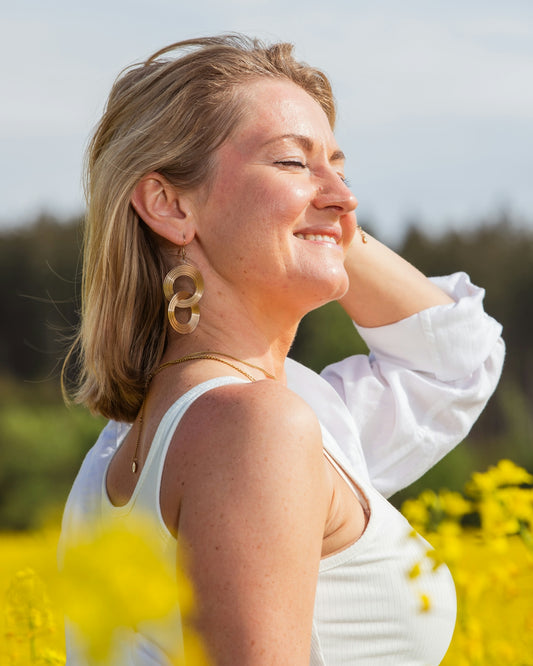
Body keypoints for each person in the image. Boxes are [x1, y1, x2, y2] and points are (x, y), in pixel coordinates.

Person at [59, 34, 504, 666]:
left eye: (342, 169)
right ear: (168, 203)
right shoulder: (253, 428)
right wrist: (308, 218)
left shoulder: (123, 449)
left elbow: (456, 362)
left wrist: (317, 216)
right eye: (292, 162)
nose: (349, 199)